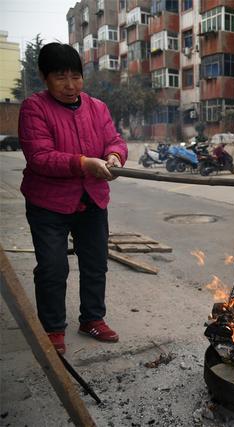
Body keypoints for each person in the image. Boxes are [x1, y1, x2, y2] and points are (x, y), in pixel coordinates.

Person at [19, 43, 128, 355]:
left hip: (92, 199)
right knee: (53, 266)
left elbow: (114, 140)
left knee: (95, 262)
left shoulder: (97, 108)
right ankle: (52, 327)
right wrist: (84, 163)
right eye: (60, 77)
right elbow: (40, 156)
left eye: (76, 77)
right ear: (44, 77)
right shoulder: (34, 108)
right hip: (48, 203)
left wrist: (114, 156)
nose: (70, 86)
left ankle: (92, 318)